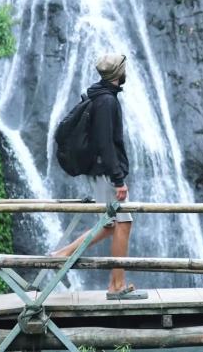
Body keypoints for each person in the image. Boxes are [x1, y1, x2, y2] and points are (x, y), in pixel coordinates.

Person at [50, 54, 147, 300]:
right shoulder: (106, 101)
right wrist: (118, 179)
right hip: (106, 172)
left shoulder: (101, 96)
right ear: (119, 74)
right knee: (123, 223)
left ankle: (61, 255)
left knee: (109, 224)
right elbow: (105, 143)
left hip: (102, 171)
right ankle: (116, 286)